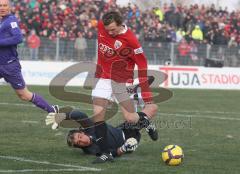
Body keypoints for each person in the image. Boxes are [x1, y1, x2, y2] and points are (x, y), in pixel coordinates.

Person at [91, 11, 158, 163]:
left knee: (129, 118)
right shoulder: (102, 25)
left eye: (113, 29)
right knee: (98, 113)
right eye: (107, 30)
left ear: (121, 24)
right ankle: (105, 152)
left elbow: (142, 65)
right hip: (103, 77)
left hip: (121, 80)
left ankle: (144, 120)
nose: (109, 32)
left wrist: (146, 94)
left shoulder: (131, 40)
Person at [0, 0, 58, 113]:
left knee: (24, 95)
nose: (2, 8)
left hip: (9, 66)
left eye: (4, 5)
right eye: (0, 6)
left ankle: (52, 110)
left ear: (9, 7)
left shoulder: (11, 20)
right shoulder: (2, 21)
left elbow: (18, 38)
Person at [46, 109, 140, 159]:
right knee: (141, 120)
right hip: (127, 139)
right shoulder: (91, 150)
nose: (82, 140)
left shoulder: (89, 129)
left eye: (80, 136)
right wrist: (124, 148)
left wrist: (63, 116)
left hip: (120, 128)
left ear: (82, 132)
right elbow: (111, 153)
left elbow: (80, 115)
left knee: (133, 118)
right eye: (79, 142)